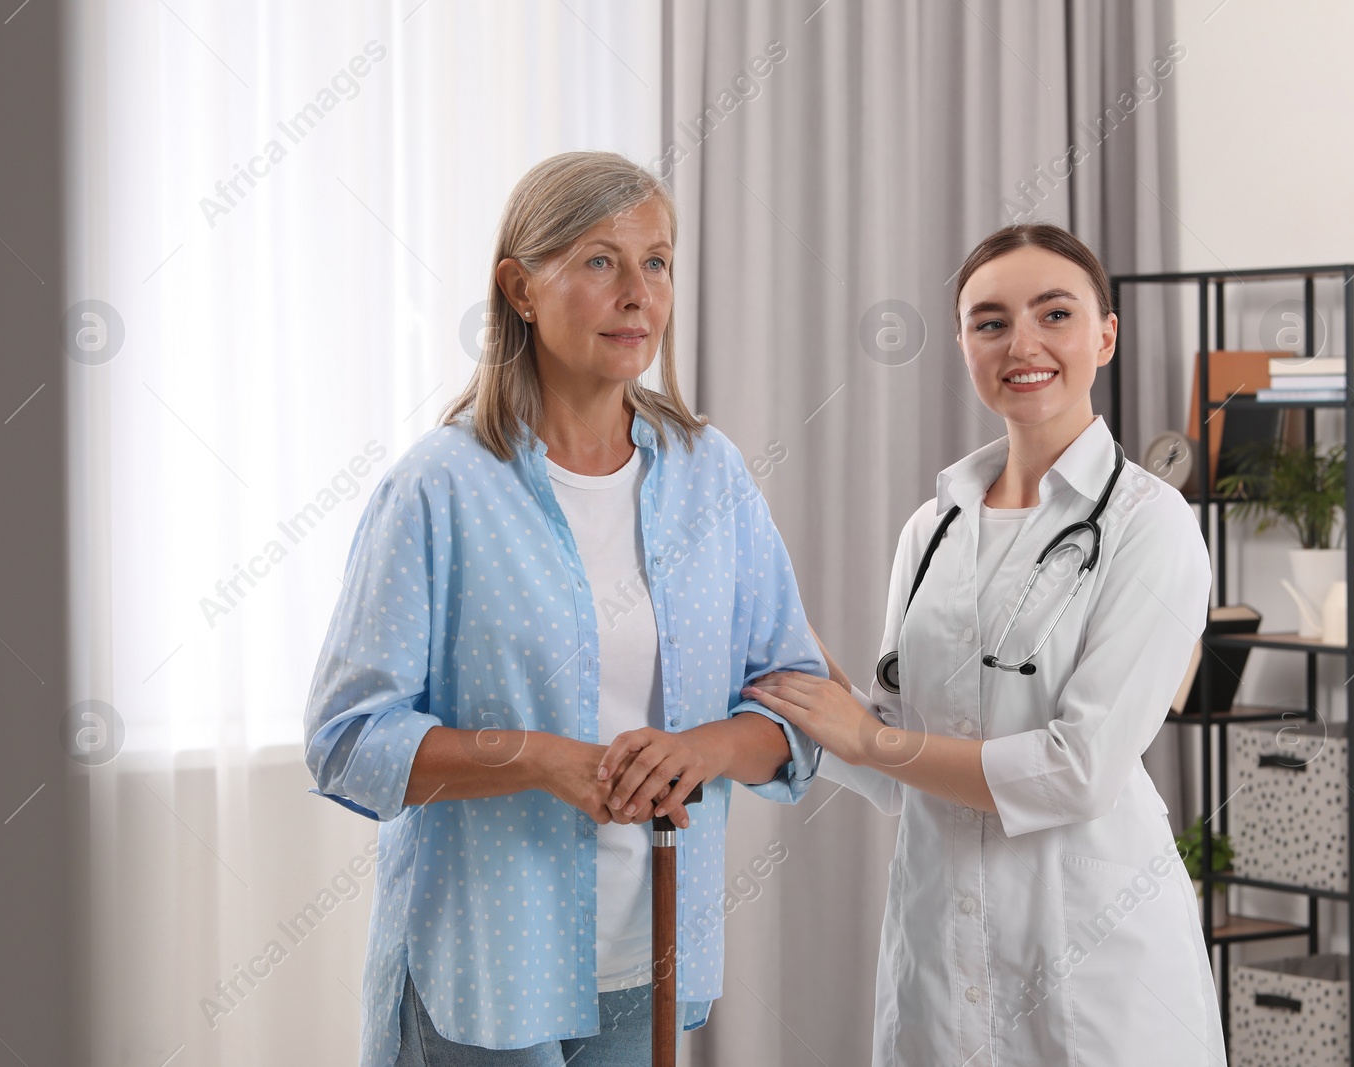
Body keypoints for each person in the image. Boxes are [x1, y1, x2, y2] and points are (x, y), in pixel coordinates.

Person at [303, 150, 825, 1067]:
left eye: (656, 262)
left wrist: (700, 749)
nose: (637, 293)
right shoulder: (439, 489)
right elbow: (348, 739)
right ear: (520, 289)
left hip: (651, 958)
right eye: (599, 260)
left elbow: (797, 700)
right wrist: (542, 760)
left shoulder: (713, 477)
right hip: (484, 969)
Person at [745, 223, 1228, 1065]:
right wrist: (799, 668)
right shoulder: (933, 529)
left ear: (1105, 335)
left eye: (1055, 314)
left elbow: (1079, 770)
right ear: (966, 343)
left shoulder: (1151, 526)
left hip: (1094, 972)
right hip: (940, 963)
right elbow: (892, 759)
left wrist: (871, 735)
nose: (1023, 344)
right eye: (991, 321)